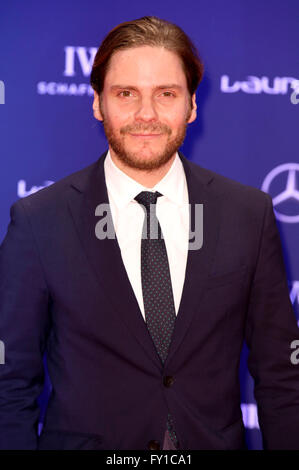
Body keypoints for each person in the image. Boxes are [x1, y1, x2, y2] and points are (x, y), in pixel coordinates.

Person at [0, 15, 298, 451]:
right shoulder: (40, 220)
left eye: (166, 94)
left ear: (192, 105)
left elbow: (282, 378)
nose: (146, 114)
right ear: (98, 103)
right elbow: (9, 383)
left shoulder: (247, 215)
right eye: (126, 94)